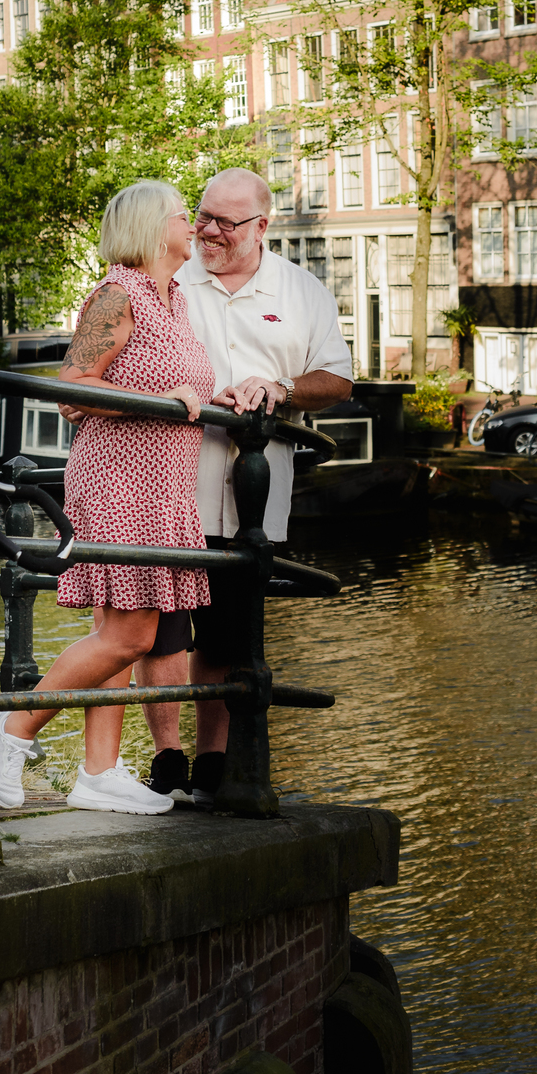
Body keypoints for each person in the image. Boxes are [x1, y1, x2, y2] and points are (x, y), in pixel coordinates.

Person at [86, 167, 353, 807]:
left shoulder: (301, 288)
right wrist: (192, 398)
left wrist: (279, 389)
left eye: (225, 223)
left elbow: (339, 380)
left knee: (229, 638)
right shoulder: (164, 284)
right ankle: (166, 757)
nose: (207, 231)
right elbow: (114, 366)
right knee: (160, 630)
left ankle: (212, 762)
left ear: (261, 228)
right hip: (172, 486)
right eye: (201, 216)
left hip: (259, 496)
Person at [0, 179, 213, 816]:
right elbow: (73, 388)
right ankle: (12, 728)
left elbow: (180, 382)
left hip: (164, 485)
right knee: (133, 635)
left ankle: (99, 771)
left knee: (115, 628)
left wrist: (225, 395)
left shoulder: (175, 301)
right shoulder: (117, 295)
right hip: (121, 481)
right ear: (149, 228)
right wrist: (164, 405)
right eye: (178, 215)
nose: (190, 224)